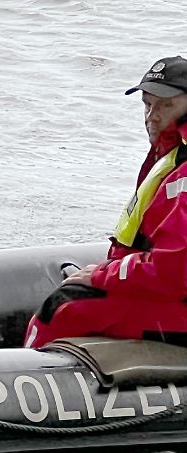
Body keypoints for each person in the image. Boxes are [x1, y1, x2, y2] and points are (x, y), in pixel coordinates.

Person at [25, 56, 187, 348]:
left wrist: (102, 275)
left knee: (61, 309)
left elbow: (171, 270)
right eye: (148, 105)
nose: (152, 116)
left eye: (166, 105)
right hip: (170, 291)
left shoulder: (182, 171)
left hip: (177, 302)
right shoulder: (171, 156)